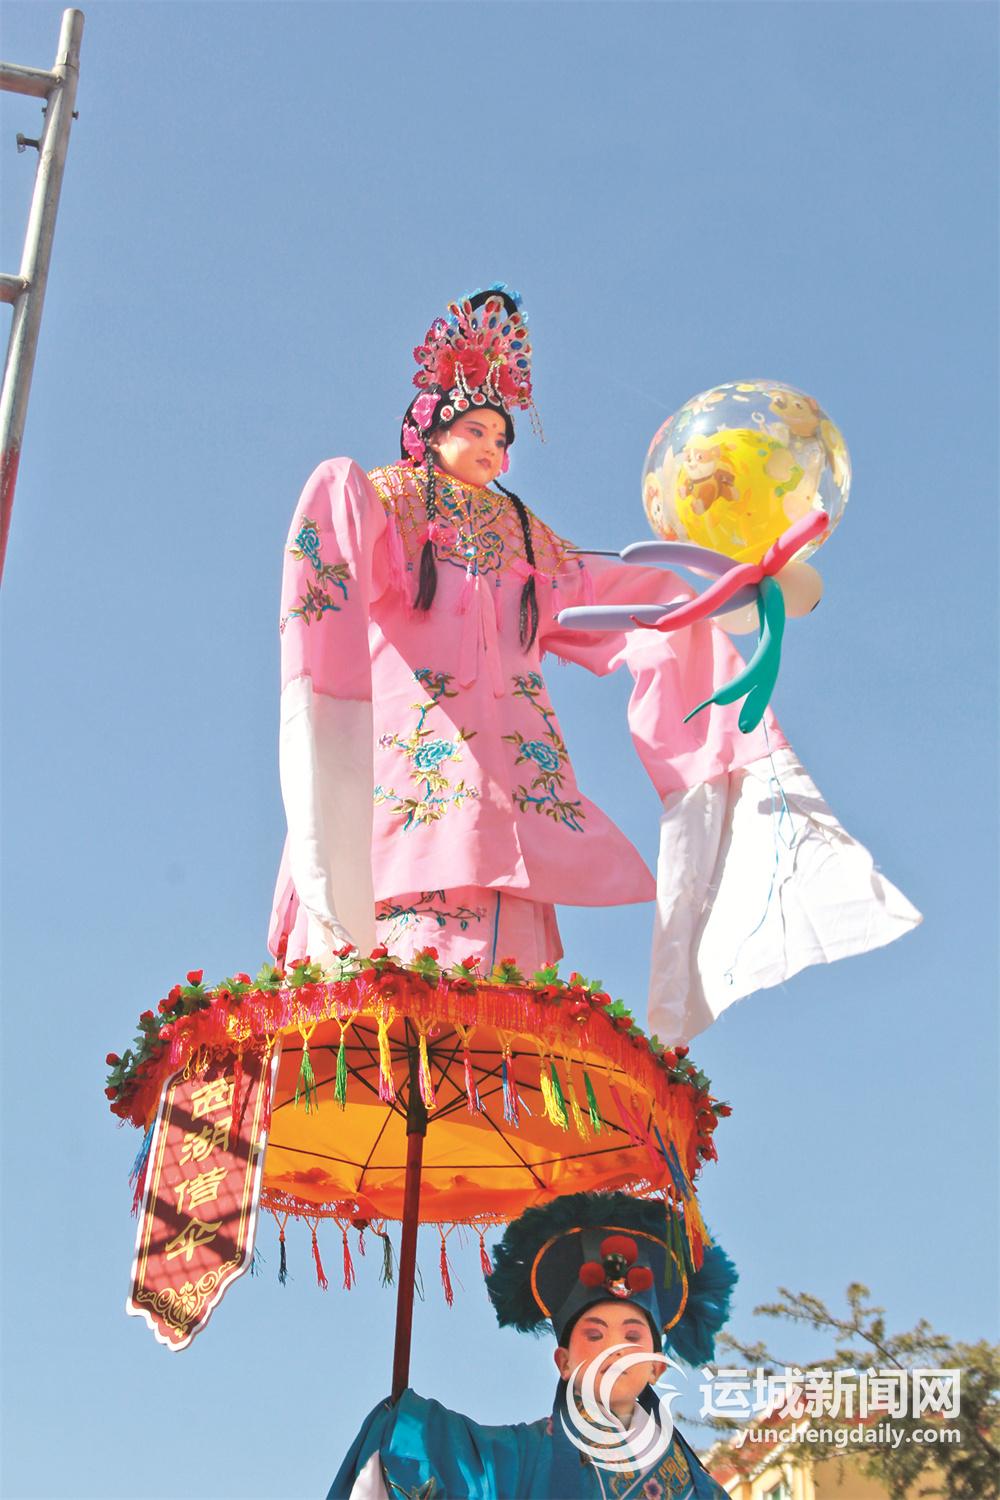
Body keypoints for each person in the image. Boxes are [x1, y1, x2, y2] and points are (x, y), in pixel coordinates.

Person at [270, 283, 919, 1041]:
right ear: (431, 428)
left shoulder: (522, 532)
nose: (492, 448)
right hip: (414, 768)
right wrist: (342, 492)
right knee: (396, 959)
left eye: (502, 438)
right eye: (476, 429)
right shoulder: (390, 502)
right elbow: (336, 541)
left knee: (506, 987)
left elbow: (608, 593)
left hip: (511, 781)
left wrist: (710, 596)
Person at [328, 1190, 734, 1499]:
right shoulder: (527, 1456)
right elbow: (459, 1467)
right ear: (564, 1361)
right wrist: (402, 1426)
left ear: (657, 1365)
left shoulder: (700, 1487)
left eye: (631, 1336)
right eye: (595, 1335)